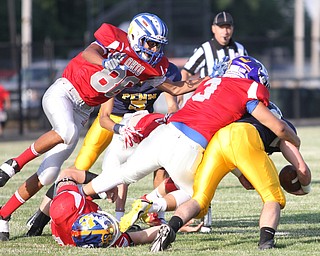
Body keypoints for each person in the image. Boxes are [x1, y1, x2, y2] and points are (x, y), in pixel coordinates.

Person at [0, 12, 203, 241]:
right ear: (136, 36)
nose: (155, 50)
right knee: (67, 132)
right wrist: (106, 61)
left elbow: (176, 89)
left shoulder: (151, 68)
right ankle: (12, 166)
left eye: (158, 45)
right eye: (151, 43)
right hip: (65, 91)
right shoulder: (116, 39)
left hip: (82, 111)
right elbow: (89, 52)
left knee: (48, 175)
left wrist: (213, 80)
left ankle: (3, 216)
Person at [79, 56, 300, 240]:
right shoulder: (247, 88)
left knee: (123, 173)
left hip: (166, 131)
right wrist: (292, 142)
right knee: (197, 198)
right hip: (190, 144)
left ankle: (79, 195)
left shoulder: (210, 84)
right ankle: (151, 205)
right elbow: (271, 129)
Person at [26, 61, 182, 236]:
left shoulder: (165, 72)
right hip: (111, 122)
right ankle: (41, 216)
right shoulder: (121, 71)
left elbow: (173, 107)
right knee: (79, 169)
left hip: (137, 124)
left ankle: (152, 215)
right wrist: (120, 128)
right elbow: (104, 118)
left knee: (154, 164)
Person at [149, 108, 311, 252]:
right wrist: (304, 187)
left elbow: (245, 178)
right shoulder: (282, 125)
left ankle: (171, 228)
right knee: (273, 197)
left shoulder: (246, 107)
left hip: (219, 140)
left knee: (200, 198)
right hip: (245, 139)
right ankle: (266, 242)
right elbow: (302, 169)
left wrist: (242, 174)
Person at [179, 11, 248, 228]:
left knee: (224, 157)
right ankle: (201, 213)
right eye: (222, 26)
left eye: (229, 26)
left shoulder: (240, 50)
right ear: (213, 28)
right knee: (201, 160)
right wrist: (180, 96)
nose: (226, 30)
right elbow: (186, 72)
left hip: (229, 112)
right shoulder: (205, 50)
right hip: (207, 113)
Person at [50, 175, 202, 248]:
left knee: (116, 177)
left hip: (74, 200)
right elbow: (141, 236)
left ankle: (37, 221)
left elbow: (66, 175)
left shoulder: (67, 203)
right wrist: (172, 225)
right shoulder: (109, 239)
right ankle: (152, 202)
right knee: (122, 174)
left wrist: (103, 183)